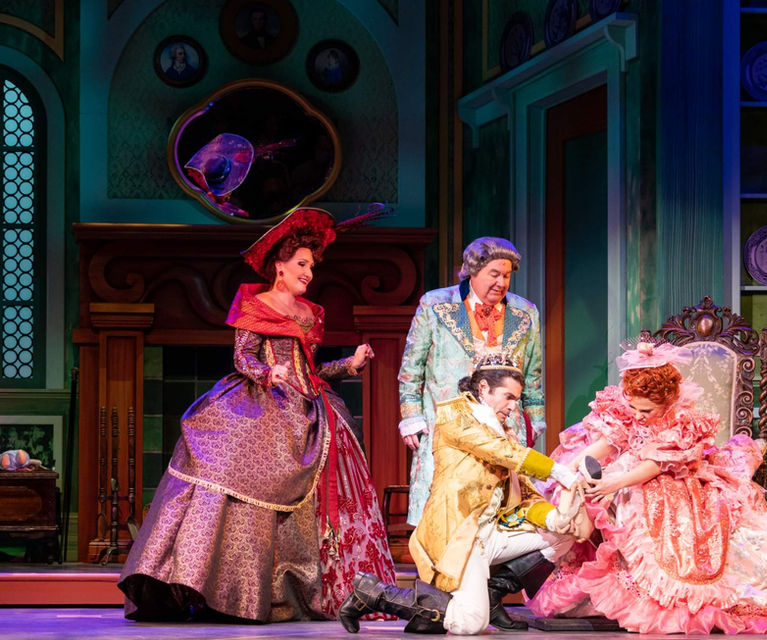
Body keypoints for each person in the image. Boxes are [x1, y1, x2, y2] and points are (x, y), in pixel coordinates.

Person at [118, 208, 395, 622]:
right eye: (301, 264)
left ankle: (297, 591)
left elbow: (312, 371)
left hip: (309, 408)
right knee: (228, 468)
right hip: (260, 402)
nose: (309, 273)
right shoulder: (256, 304)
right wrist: (269, 373)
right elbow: (242, 357)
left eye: (312, 266)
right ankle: (225, 590)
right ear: (279, 266)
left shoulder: (311, 313)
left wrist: (350, 365)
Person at [527, 341, 767, 634]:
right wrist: (566, 469)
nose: (637, 416)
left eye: (646, 411)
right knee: (582, 491)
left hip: (669, 475)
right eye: (634, 408)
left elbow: (657, 464)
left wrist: (614, 482)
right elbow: (609, 442)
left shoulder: (680, 420)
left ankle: (664, 595)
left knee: (654, 503)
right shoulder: (629, 408)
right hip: (627, 465)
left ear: (667, 403)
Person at [339, 353, 590, 635]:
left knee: (562, 535)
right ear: (483, 387)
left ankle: (491, 595)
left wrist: (556, 519)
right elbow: (501, 451)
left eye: (517, 399)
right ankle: (374, 593)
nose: (513, 406)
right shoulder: (455, 416)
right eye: (508, 397)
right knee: (470, 624)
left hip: (491, 534)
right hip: (460, 534)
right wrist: (559, 471)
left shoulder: (503, 431)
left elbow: (525, 493)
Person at [398, 237, 545, 526]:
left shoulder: (525, 312)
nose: (501, 283)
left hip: (504, 424)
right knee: (447, 508)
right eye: (494, 274)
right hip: (450, 421)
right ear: (473, 271)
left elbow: (533, 373)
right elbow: (411, 368)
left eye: (507, 276)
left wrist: (535, 418)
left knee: (502, 506)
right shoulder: (435, 304)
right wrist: (411, 415)